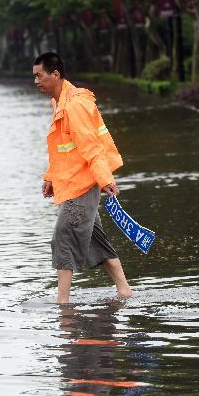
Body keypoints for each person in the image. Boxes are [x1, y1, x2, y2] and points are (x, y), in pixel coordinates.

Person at [34, 52, 133, 304]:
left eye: (39, 76)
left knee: (63, 237)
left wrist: (106, 180)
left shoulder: (74, 105)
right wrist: (50, 177)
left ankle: (62, 303)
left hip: (83, 184)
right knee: (95, 239)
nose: (35, 81)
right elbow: (63, 149)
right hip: (73, 182)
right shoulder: (60, 102)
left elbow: (92, 147)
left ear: (55, 74)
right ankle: (124, 290)